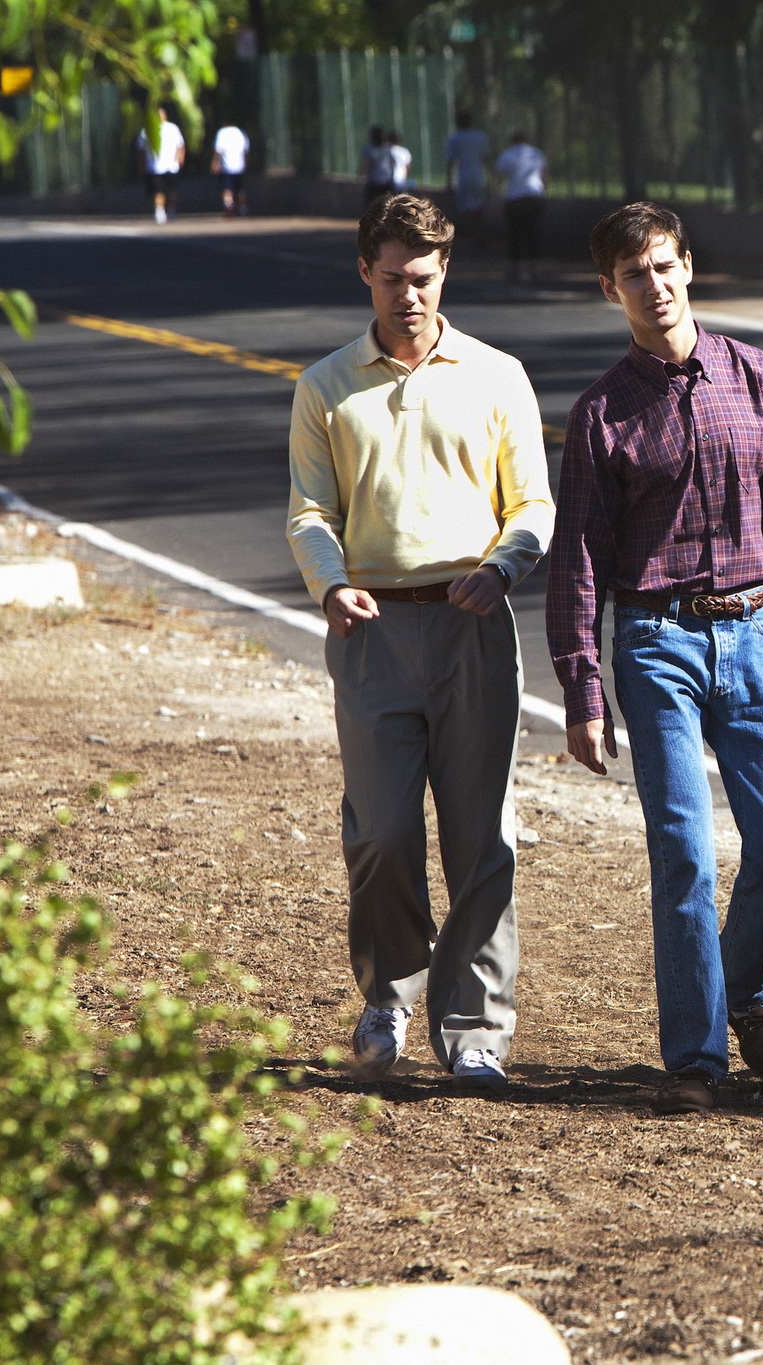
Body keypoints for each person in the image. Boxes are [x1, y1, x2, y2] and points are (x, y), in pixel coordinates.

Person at [546, 202, 763, 1116]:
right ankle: (696, 1057)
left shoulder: (755, 379)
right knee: (682, 845)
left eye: (667, 266)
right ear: (613, 291)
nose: (657, 285)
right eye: (635, 275)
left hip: (753, 634)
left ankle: (742, 987)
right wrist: (582, 688)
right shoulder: (602, 414)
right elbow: (582, 560)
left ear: (689, 267)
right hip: (656, 642)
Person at [286, 194, 554, 1092]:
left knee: (484, 834)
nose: (409, 295)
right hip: (371, 629)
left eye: (425, 278)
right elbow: (311, 512)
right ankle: (390, 992)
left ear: (447, 275)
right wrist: (332, 581)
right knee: (384, 829)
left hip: (473, 621)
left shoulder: (497, 374)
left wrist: (505, 565)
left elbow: (533, 504)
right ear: (366, 272)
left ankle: (476, 1024)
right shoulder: (327, 385)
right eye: (394, 277)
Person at [493, 131, 547, 282]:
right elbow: (544, 175)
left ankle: (514, 267)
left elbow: (500, 178)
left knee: (515, 233)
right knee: (533, 233)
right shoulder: (536, 153)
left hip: (514, 199)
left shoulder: (507, 155)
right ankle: (534, 267)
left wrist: (497, 199)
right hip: (533, 196)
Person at [445, 111, 490, 242]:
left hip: (463, 177)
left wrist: (449, 182)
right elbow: (486, 158)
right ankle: (477, 233)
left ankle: (470, 235)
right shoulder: (480, 137)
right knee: (478, 205)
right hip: (478, 176)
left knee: (465, 207)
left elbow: (451, 161)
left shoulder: (455, 138)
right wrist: (489, 178)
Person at [137, 106, 186, 224]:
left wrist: (180, 159)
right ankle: (159, 211)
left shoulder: (172, 128)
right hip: (155, 167)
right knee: (158, 191)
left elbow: (181, 145)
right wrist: (142, 164)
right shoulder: (147, 129)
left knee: (171, 191)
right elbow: (140, 149)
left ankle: (172, 209)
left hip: (171, 166)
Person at [213, 122, 250, 217]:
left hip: (226, 166)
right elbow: (245, 150)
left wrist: (215, 162)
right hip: (239, 166)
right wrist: (245, 162)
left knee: (227, 188)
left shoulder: (222, 133)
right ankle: (242, 207)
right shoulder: (241, 133)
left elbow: (218, 150)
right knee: (240, 188)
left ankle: (228, 205)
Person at [359, 126, 394, 204]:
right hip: (385, 180)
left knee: (373, 205)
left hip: (374, 182)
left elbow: (365, 165)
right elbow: (391, 164)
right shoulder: (387, 148)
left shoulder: (369, 148)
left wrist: (361, 179)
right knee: (385, 204)